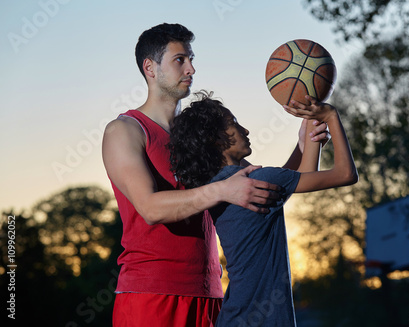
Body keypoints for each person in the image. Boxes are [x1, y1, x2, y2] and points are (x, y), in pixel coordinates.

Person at [102, 23, 329, 326]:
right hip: (151, 294)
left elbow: (255, 187)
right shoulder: (125, 130)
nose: (191, 68)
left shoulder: (199, 136)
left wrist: (303, 146)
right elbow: (150, 208)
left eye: (192, 58)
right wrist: (221, 191)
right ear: (150, 68)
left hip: (210, 296)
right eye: (179, 59)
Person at [169, 91, 358, 326]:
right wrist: (330, 115)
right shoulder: (255, 180)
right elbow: (346, 174)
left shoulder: (219, 186)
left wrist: (309, 133)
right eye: (234, 124)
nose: (245, 131)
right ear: (215, 138)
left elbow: (300, 176)